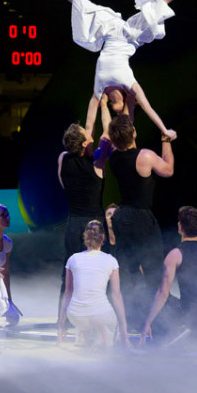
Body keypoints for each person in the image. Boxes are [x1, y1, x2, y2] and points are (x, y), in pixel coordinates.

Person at [17, 0, 197, 141]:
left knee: (78, 0)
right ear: (128, 103)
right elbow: (148, 108)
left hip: (110, 30)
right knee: (161, 2)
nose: (112, 106)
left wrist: (87, 137)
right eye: (117, 110)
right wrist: (164, 130)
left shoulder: (100, 86)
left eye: (113, 110)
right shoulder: (129, 83)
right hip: (131, 36)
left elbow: (89, 122)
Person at [107, 113, 174, 329]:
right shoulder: (144, 156)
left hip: (122, 216)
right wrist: (166, 142)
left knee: (128, 271)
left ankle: (129, 322)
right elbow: (168, 170)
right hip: (140, 217)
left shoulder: (114, 157)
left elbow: (120, 134)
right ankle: (158, 324)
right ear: (134, 133)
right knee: (153, 271)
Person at [141, 207, 197, 346]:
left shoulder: (176, 254)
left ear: (180, 227)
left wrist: (148, 322)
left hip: (190, 316)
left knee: (153, 295)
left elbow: (163, 293)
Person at [57, 122, 111, 307]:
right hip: (94, 223)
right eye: (86, 134)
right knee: (99, 269)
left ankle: (62, 320)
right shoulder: (97, 162)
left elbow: (89, 124)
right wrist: (103, 105)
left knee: (70, 271)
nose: (90, 135)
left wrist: (96, 98)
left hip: (73, 223)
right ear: (82, 144)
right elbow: (107, 133)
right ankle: (98, 310)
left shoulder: (63, 158)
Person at [58, 220, 131, 349]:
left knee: (86, 318)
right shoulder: (111, 260)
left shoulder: (73, 259)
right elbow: (116, 296)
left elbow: (68, 293)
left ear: (85, 236)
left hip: (75, 315)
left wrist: (61, 326)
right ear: (103, 237)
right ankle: (101, 337)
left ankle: (83, 334)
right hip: (100, 315)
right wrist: (124, 331)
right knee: (108, 323)